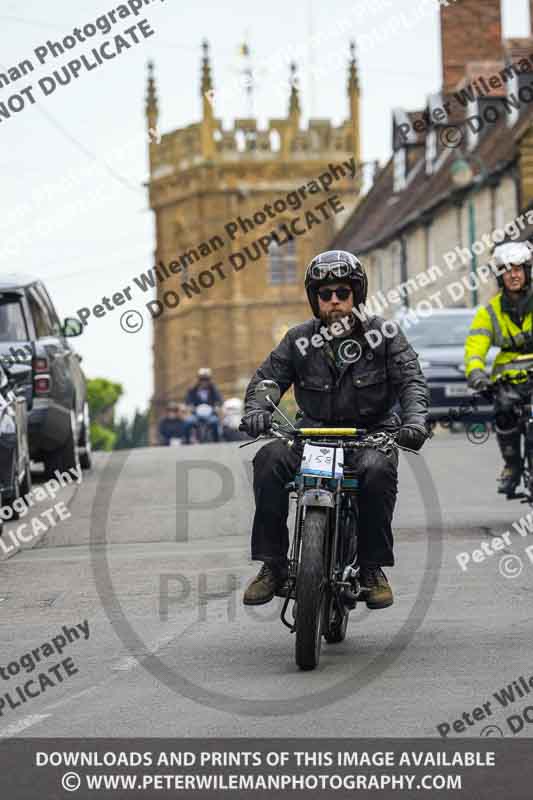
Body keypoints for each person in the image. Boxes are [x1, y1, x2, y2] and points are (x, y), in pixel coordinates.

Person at [240, 250, 429, 609]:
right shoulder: (297, 340)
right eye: (325, 295)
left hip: (371, 435)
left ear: (357, 295)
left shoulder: (385, 335)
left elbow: (411, 382)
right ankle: (273, 565)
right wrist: (257, 410)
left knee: (377, 470)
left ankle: (372, 569)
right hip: (312, 435)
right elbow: (267, 380)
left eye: (342, 292)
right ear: (316, 300)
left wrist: (415, 421)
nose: (335, 301)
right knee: (267, 459)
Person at [465, 239, 533, 494]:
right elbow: (475, 346)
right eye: (506, 270)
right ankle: (512, 466)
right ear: (500, 275)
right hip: (509, 379)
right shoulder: (489, 312)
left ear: (527, 271)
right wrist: (476, 372)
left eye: (518, 269)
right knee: (504, 411)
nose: (513, 275)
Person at [183, 367, 223, 444]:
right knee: (188, 422)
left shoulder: (214, 390)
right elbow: (187, 402)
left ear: (209, 380)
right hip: (196, 414)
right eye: (202, 379)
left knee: (214, 422)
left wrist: (217, 407)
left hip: (210, 414)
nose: (204, 382)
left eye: (206, 379)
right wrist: (190, 408)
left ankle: (216, 442)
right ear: (198, 380)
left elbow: (219, 401)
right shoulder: (192, 390)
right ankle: (186, 441)